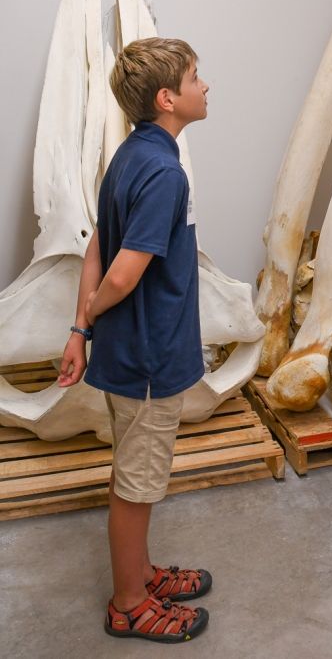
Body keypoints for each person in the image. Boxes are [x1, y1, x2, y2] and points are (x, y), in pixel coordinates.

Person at [59, 37, 212, 642]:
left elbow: (98, 242)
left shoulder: (127, 156)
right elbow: (122, 271)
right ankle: (128, 603)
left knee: (135, 472)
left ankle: (141, 572)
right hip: (149, 359)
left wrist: (80, 327)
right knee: (136, 485)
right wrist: (94, 312)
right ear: (168, 97)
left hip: (129, 354)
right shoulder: (164, 171)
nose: (207, 86)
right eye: (197, 77)